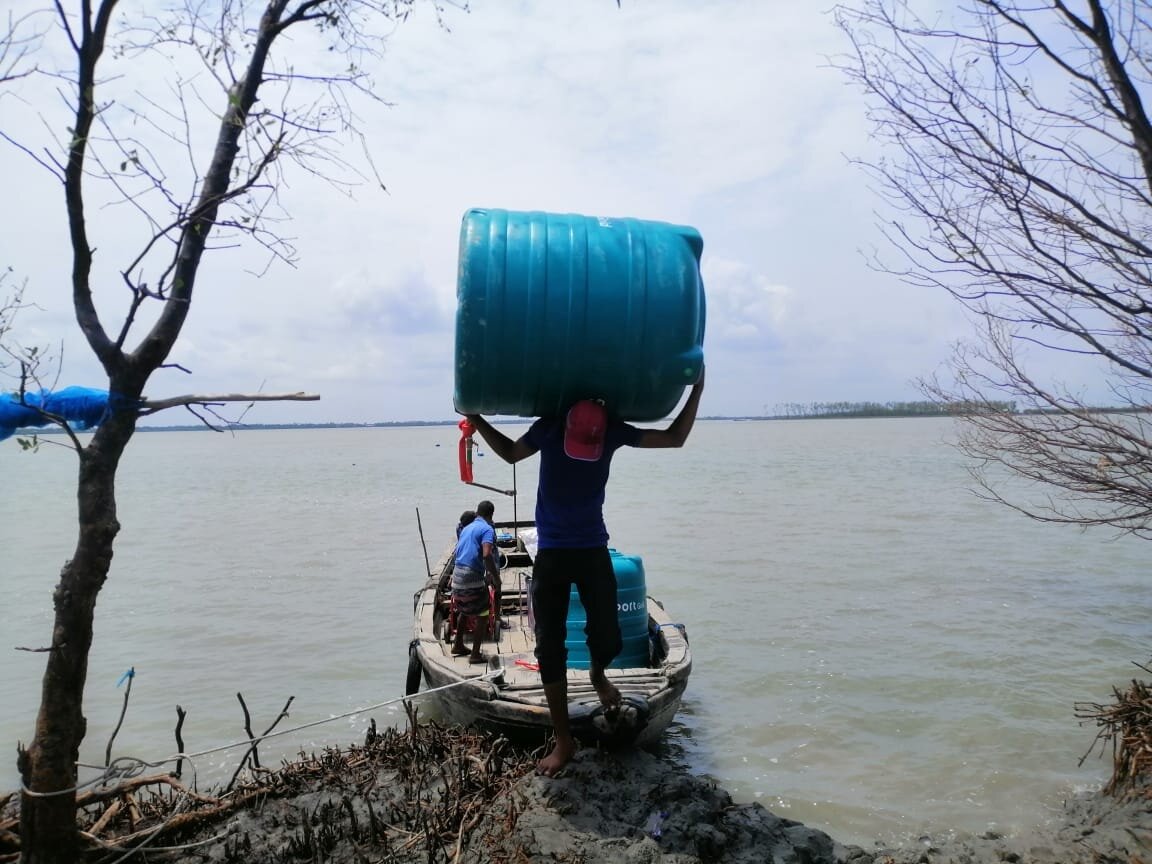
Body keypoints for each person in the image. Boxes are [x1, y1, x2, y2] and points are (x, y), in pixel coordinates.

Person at [465, 367, 705, 776]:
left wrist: (697, 387)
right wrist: (477, 419)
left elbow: (674, 438)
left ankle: (598, 676)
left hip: (594, 547)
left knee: (608, 634)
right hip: (553, 552)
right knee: (549, 647)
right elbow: (509, 453)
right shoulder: (550, 428)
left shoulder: (610, 429)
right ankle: (564, 741)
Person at [450, 500, 499, 664]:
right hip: (471, 577)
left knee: (465, 609)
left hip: (456, 577)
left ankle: (458, 645)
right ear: (491, 516)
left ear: (477, 512)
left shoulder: (466, 527)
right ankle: (475, 654)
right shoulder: (487, 529)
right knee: (483, 612)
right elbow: (486, 555)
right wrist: (496, 578)